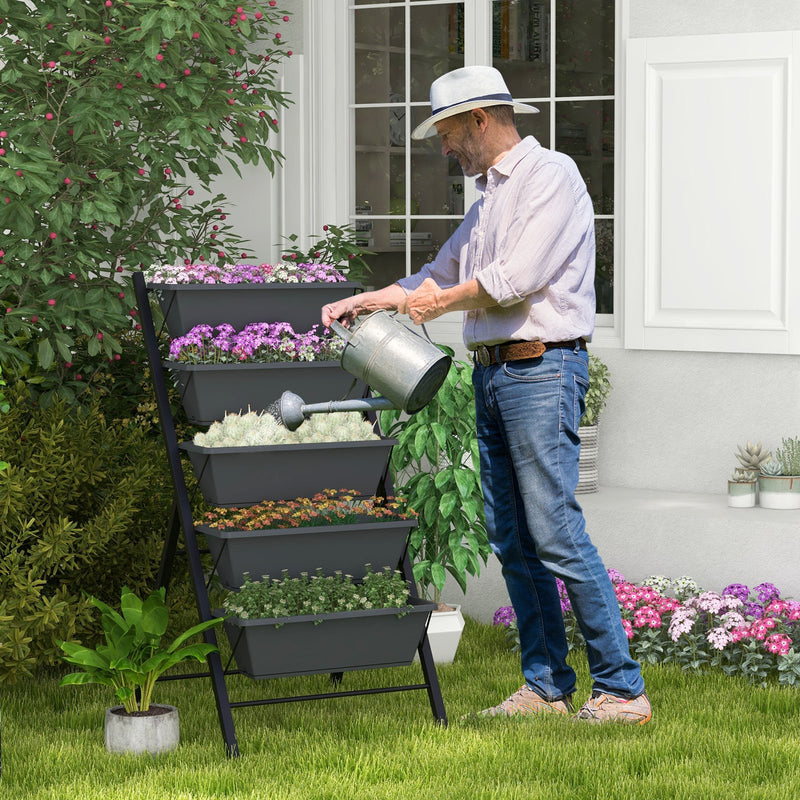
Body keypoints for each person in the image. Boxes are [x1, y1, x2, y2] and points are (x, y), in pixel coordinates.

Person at [322, 65, 650, 724]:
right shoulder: (488, 201)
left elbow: (516, 278)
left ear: (479, 120)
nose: (444, 149)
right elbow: (438, 271)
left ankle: (622, 689)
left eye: (447, 133)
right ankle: (547, 687)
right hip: (496, 374)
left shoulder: (550, 177)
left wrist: (438, 301)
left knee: (554, 532)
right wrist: (371, 298)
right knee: (512, 537)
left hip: (542, 370)